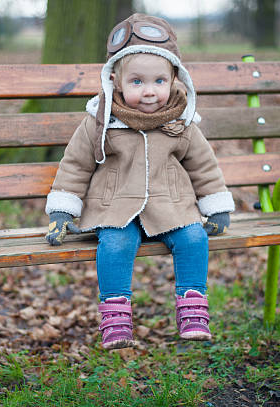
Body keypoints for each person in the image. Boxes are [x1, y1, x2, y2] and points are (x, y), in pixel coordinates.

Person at [44, 13, 235, 350]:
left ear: (174, 79)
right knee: (116, 245)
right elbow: (75, 165)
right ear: (116, 80)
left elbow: (203, 165)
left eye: (160, 81)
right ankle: (115, 317)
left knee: (193, 238)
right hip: (115, 207)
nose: (150, 92)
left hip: (171, 206)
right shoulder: (100, 122)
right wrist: (63, 211)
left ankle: (193, 309)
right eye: (137, 82)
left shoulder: (181, 121)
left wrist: (215, 206)